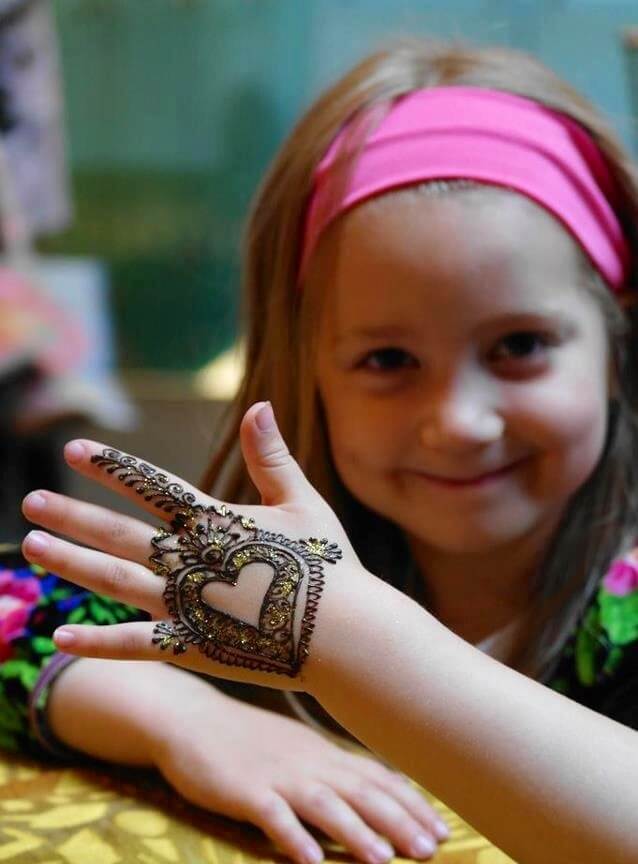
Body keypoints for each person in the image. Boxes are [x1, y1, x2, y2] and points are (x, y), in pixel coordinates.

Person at [12, 35, 638, 863]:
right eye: (388, 361)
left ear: (618, 339)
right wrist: (183, 718)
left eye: (519, 345)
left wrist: (356, 644)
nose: (459, 422)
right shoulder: (249, 585)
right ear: (307, 371)